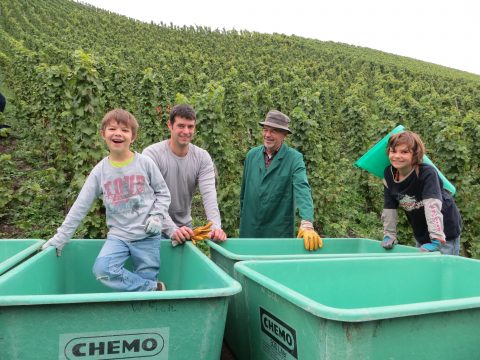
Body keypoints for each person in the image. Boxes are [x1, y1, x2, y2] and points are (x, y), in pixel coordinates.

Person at [42, 109, 171, 291]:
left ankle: (143, 305)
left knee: (145, 279)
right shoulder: (100, 171)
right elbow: (80, 206)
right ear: (103, 134)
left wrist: (157, 217)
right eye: (112, 129)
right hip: (118, 236)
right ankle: (152, 289)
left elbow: (164, 193)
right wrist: (61, 237)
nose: (118, 133)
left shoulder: (145, 164)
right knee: (103, 270)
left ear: (132, 137)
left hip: (147, 237)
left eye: (125, 130)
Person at [143, 104, 227, 244]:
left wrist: (216, 227)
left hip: (184, 229)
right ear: (170, 125)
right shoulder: (152, 155)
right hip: (153, 227)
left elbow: (209, 196)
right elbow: (150, 199)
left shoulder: (202, 157)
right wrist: (172, 230)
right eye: (181, 126)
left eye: (190, 126)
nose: (186, 131)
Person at [239, 110, 322, 251]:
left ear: (284, 135)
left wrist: (307, 222)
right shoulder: (252, 156)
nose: (267, 135)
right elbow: (244, 193)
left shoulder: (294, 158)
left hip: (277, 233)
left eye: (273, 131)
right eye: (265, 130)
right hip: (250, 230)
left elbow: (302, 188)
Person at [381, 130, 462, 255]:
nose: (397, 156)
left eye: (404, 152)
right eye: (393, 151)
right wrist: (389, 234)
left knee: (444, 271)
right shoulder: (388, 174)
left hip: (444, 231)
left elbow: (432, 206)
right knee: (424, 269)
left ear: (415, 154)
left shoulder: (426, 173)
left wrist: (436, 239)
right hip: (421, 230)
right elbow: (389, 207)